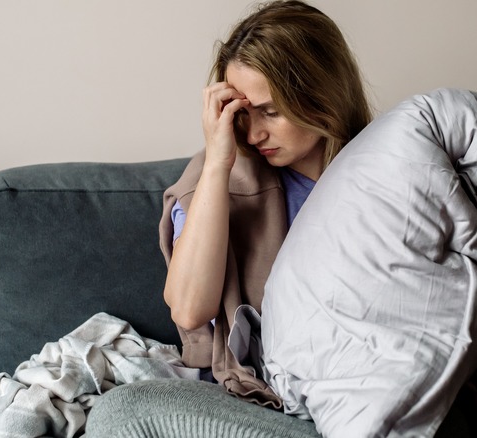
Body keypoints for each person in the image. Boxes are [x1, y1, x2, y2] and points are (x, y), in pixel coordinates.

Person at [158, 0, 372, 408]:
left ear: (323, 93)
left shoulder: (387, 172)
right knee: (125, 412)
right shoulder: (217, 179)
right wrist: (218, 165)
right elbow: (188, 311)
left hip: (357, 391)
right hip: (255, 397)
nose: (254, 133)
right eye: (243, 113)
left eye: (270, 112)